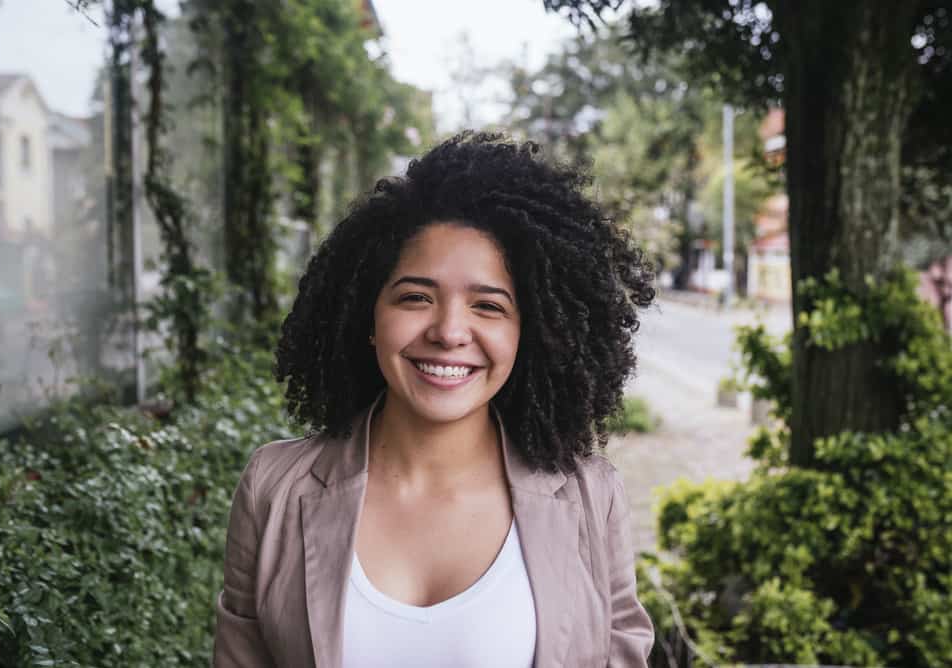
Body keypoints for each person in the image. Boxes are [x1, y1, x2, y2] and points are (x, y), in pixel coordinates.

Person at [213, 132, 656, 667]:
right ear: (368, 318)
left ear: (529, 333)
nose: (449, 331)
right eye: (416, 297)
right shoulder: (274, 487)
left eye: (488, 306)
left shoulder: (590, 495)